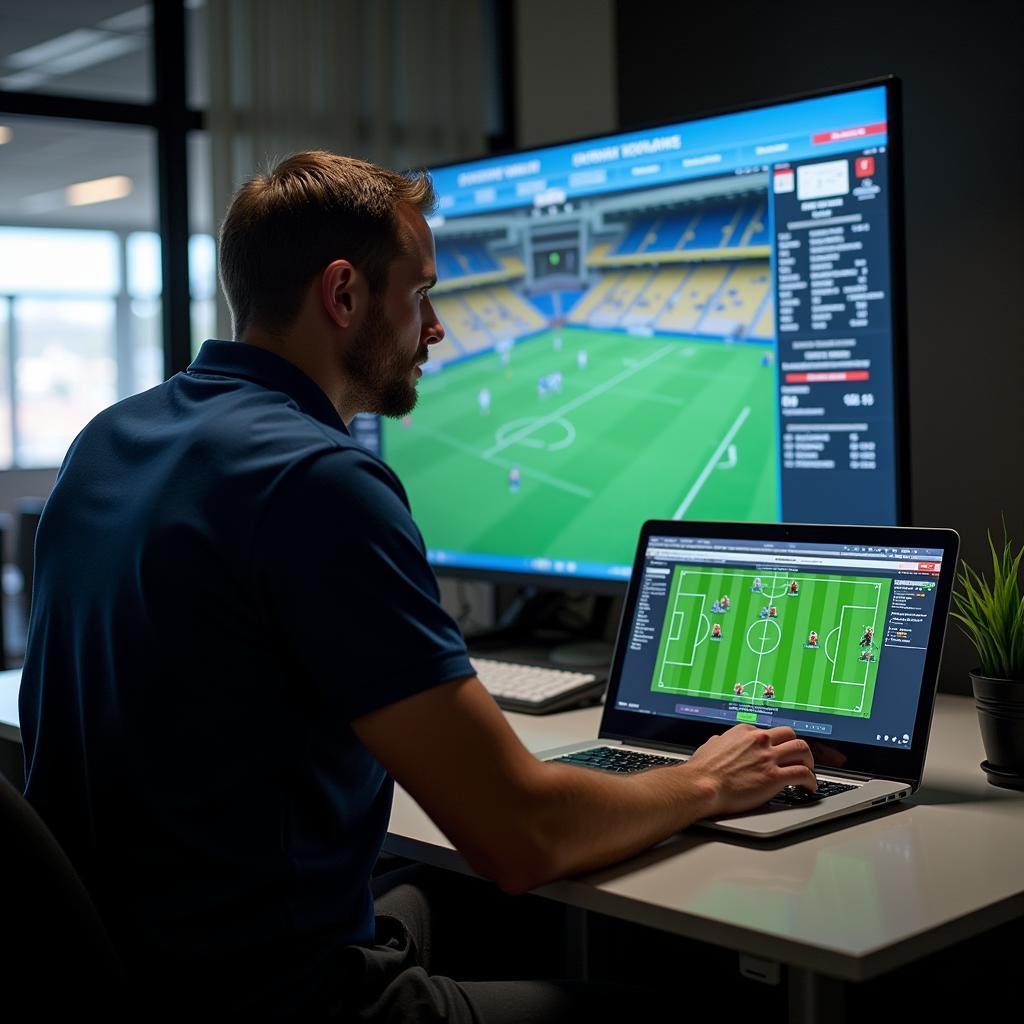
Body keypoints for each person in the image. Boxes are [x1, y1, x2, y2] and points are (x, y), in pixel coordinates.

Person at [18, 152, 816, 1020]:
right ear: (344, 295)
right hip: (278, 1001)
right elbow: (522, 835)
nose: (434, 327)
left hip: (141, 966)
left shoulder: (107, 437)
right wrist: (705, 779)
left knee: (460, 900)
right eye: (421, 294)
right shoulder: (317, 479)